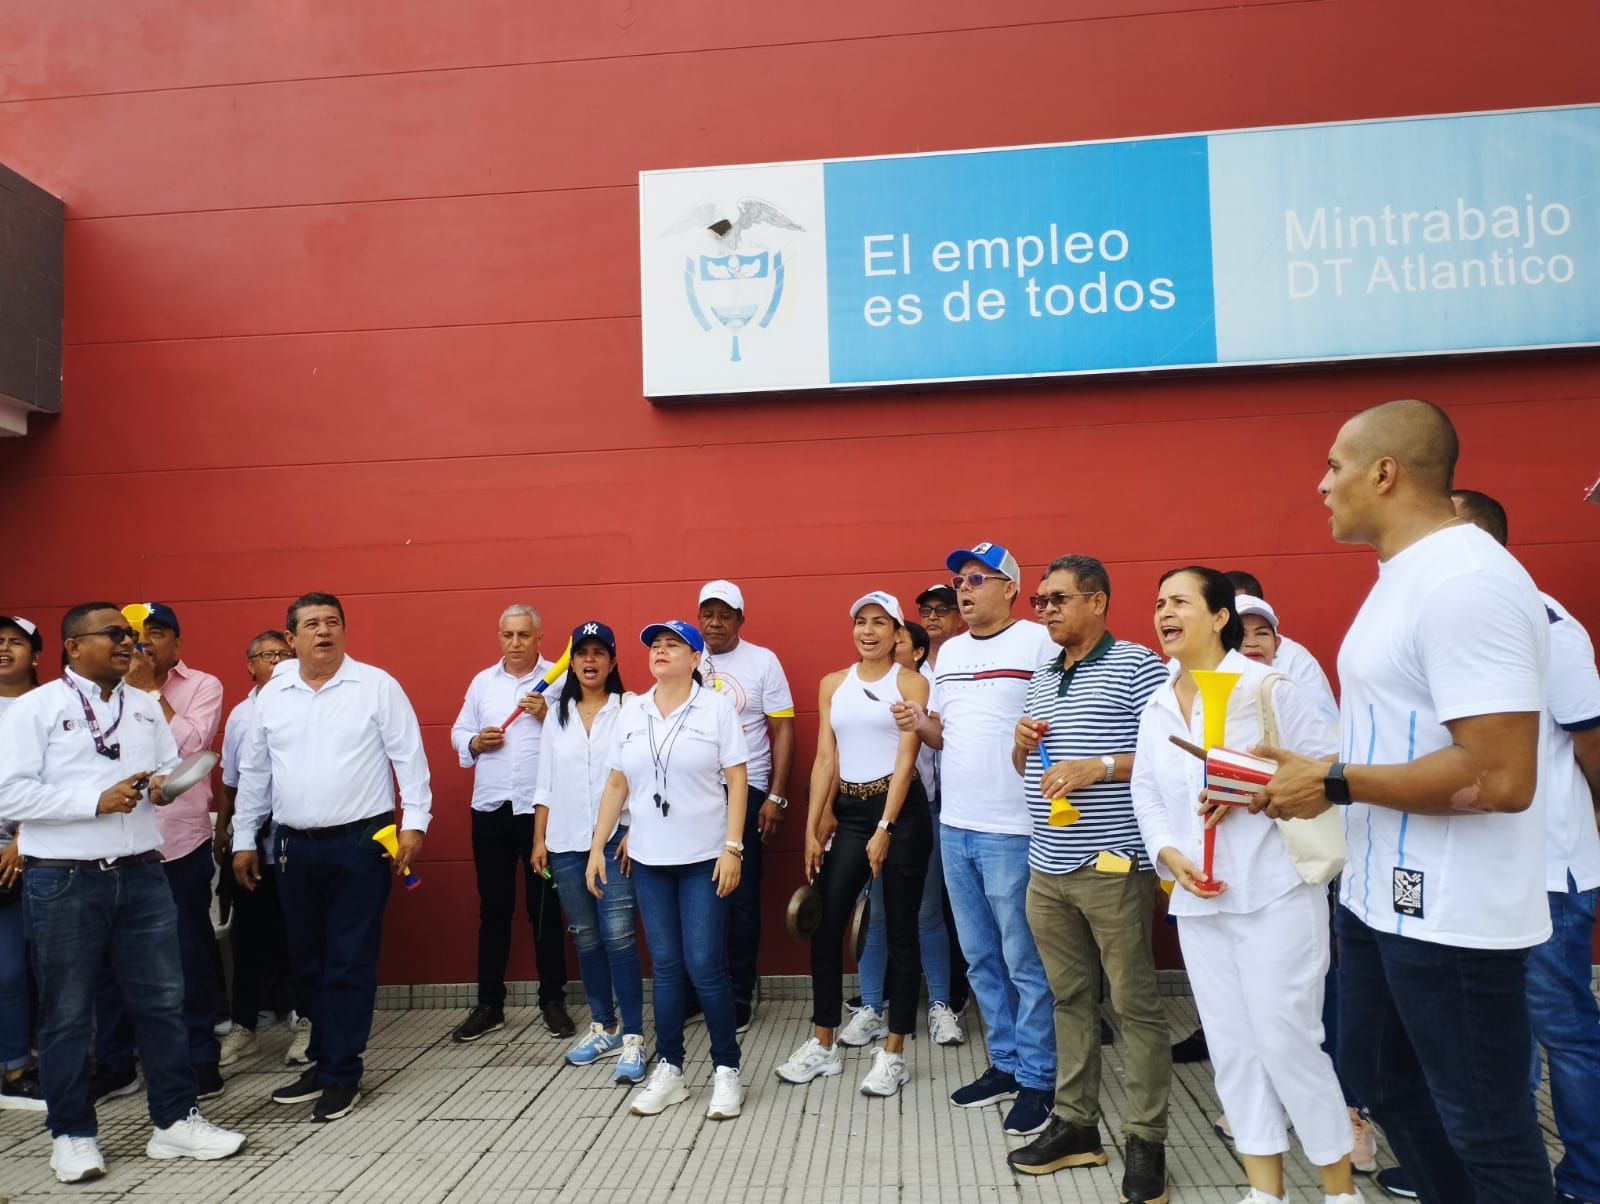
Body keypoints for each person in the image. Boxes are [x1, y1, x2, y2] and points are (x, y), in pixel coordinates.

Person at [1253, 399, 1555, 1203]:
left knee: (1484, 1124)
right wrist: (1321, 766)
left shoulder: (1467, 583)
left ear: (1385, 472)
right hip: (1379, 895)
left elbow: (1499, 777)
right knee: (1380, 1080)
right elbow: (1407, 737)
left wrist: (1334, 781)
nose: (1321, 485)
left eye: (1334, 465)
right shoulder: (1404, 578)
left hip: (1453, 914)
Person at [1131, 567, 1357, 1204]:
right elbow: (1146, 789)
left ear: (1220, 616)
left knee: (1289, 1042)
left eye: (1179, 602)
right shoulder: (1156, 701)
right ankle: (1266, 1192)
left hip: (1275, 893)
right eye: (1158, 604)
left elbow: (1327, 778)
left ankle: (1339, 1192)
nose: (1164, 613)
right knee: (1232, 1048)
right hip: (1200, 902)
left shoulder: (1269, 689)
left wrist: (1261, 792)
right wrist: (1167, 853)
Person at [0, 602, 245, 1182]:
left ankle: (175, 1121)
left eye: (131, 634)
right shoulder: (36, 708)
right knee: (67, 1013)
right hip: (61, 877)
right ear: (72, 646)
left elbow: (165, 771)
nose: (129, 642)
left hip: (141, 871)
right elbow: (9, 796)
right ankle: (73, 1134)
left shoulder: (142, 706)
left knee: (163, 1001)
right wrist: (93, 801)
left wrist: (162, 785)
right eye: (114, 634)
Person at [1005, 556, 1172, 1204]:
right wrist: (1020, 743)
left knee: (1134, 1008)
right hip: (1047, 867)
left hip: (1112, 866)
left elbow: (1169, 752)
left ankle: (1146, 1141)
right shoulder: (1043, 674)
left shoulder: (1136, 664)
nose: (1043, 609)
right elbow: (1028, 764)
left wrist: (1099, 765)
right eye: (1040, 600)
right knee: (1069, 1001)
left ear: (1097, 601)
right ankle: (1077, 1126)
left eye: (1057, 599)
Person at [232, 591, 433, 1123]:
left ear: (344, 630)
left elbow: (409, 759)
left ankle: (343, 1073)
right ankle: (321, 1061)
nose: (323, 632)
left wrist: (413, 824)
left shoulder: (376, 686)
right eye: (311, 624)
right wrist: (243, 839)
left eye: (332, 622)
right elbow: (255, 773)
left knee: (349, 959)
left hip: (361, 843)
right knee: (308, 961)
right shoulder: (273, 696)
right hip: (292, 847)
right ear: (291, 638)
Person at [1453, 486, 1600, 1204]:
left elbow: (1591, 744)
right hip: (1484, 872)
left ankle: (1587, 1179)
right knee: (1499, 1038)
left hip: (1548, 871)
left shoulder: (1549, 628)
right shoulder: (1465, 626)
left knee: (1563, 1032)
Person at [894, 541, 1058, 1136]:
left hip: (1014, 828)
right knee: (981, 958)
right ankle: (1006, 1065)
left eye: (979, 579)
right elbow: (946, 736)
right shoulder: (951, 653)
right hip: (955, 825)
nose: (964, 589)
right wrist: (921, 725)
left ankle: (1040, 1077)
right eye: (960, 579)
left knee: (1023, 960)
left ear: (1012, 588)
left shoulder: (1040, 643)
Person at [586, 620, 748, 1120]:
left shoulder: (715, 708)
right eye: (654, 645)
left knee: (704, 966)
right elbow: (617, 785)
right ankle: (672, 1069)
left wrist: (733, 847)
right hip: (650, 861)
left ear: (695, 658)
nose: (660, 651)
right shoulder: (631, 711)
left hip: (703, 858)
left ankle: (726, 1070)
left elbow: (737, 780)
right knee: (667, 969)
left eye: (672, 645)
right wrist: (598, 846)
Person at [776, 591, 931, 1097]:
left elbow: (908, 758)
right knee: (824, 926)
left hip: (900, 814)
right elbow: (826, 757)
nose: (868, 631)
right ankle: (822, 1045)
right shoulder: (832, 685)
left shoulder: (910, 682)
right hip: (849, 813)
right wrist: (813, 823)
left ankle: (893, 1053)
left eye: (879, 623)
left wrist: (886, 827)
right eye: (860, 622)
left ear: (895, 632)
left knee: (902, 935)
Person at [98, 603, 226, 1099]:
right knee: (109, 958)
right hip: (113, 843)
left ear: (176, 643)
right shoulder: (102, 693)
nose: (141, 642)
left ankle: (199, 1056)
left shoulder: (202, 686)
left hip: (177, 842)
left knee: (187, 953)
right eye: (131, 633)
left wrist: (150, 688)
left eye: (154, 632)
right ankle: (115, 1061)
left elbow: (189, 749)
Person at [447, 604, 571, 1042]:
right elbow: (458, 733)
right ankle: (489, 1004)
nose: (515, 643)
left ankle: (552, 1000)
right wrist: (475, 742)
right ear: (499, 637)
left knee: (545, 911)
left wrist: (546, 716)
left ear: (540, 638)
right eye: (508, 635)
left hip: (541, 812)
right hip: (491, 808)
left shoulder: (560, 680)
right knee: (494, 909)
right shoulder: (483, 683)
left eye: (524, 635)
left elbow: (580, 737)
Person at [531, 621, 647, 1085]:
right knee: (585, 936)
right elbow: (544, 782)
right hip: (564, 844)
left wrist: (632, 832)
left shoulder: (631, 709)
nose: (590, 661)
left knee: (619, 937)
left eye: (600, 653)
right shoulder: (557, 716)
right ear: (571, 661)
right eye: (582, 653)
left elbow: (642, 774)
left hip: (616, 841)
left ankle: (636, 1037)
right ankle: (605, 1027)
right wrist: (539, 837)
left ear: (613, 661)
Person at [845, 619, 965, 1048]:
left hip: (923, 812)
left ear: (913, 650)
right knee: (874, 913)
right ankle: (872, 1007)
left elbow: (938, 745)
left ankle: (940, 1006)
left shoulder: (929, 687)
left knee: (927, 912)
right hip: (869, 814)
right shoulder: (856, 685)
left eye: (897, 644)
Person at [697, 580, 795, 1030]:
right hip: (692, 791)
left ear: (740, 619)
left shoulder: (762, 661)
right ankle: (701, 991)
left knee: (739, 896)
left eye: (725, 615)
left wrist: (775, 796)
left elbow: (784, 732)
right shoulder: (686, 655)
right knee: (697, 893)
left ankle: (738, 994)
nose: (715, 623)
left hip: (747, 788)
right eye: (708, 614)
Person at [215, 630, 304, 1067]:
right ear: (250, 666)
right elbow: (232, 781)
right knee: (249, 941)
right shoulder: (239, 715)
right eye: (266, 655)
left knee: (302, 939)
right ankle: (244, 1026)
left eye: (282, 654)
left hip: (295, 845)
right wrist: (225, 833)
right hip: (252, 845)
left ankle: (306, 1022)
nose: (276, 661)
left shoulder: (304, 702)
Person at [0, 614, 44, 1111]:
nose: (5, 649)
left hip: (43, 848)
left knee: (52, 967)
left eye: (16, 642)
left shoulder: (48, 707)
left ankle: (50, 1060)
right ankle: (14, 1067)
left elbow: (60, 780)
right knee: (8, 969)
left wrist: (24, 836)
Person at [1222, 571, 1339, 728]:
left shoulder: (1292, 663)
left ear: (1277, 644)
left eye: (1261, 632)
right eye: (1240, 633)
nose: (1251, 642)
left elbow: (1327, 728)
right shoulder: (1202, 659)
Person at [915, 584, 966, 669]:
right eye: (926, 610)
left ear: (961, 619)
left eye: (942, 610)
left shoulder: (971, 659)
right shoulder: (910, 662)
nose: (932, 617)